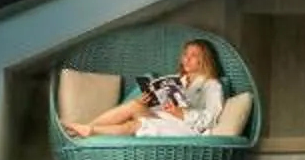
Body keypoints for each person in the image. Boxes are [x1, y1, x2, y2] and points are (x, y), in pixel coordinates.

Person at [64, 39, 227, 138]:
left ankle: (90, 131)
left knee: (136, 124)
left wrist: (183, 113)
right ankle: (84, 128)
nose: (187, 58)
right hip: (168, 117)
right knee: (135, 105)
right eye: (185, 54)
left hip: (188, 129)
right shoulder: (180, 80)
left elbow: (211, 118)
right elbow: (165, 106)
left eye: (194, 55)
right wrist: (149, 101)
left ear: (204, 60)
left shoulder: (212, 85)